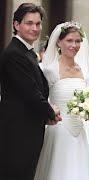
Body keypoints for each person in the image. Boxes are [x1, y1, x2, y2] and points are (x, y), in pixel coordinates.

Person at [0, 3, 61, 180]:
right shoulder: (14, 54)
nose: (35, 28)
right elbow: (31, 93)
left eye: (38, 23)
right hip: (17, 134)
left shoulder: (26, 52)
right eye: (29, 23)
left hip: (28, 129)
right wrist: (50, 111)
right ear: (16, 25)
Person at [34, 21, 89, 180]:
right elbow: (39, 99)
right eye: (69, 40)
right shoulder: (49, 70)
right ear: (59, 42)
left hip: (79, 132)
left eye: (77, 41)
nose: (74, 45)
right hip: (59, 132)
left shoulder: (85, 70)